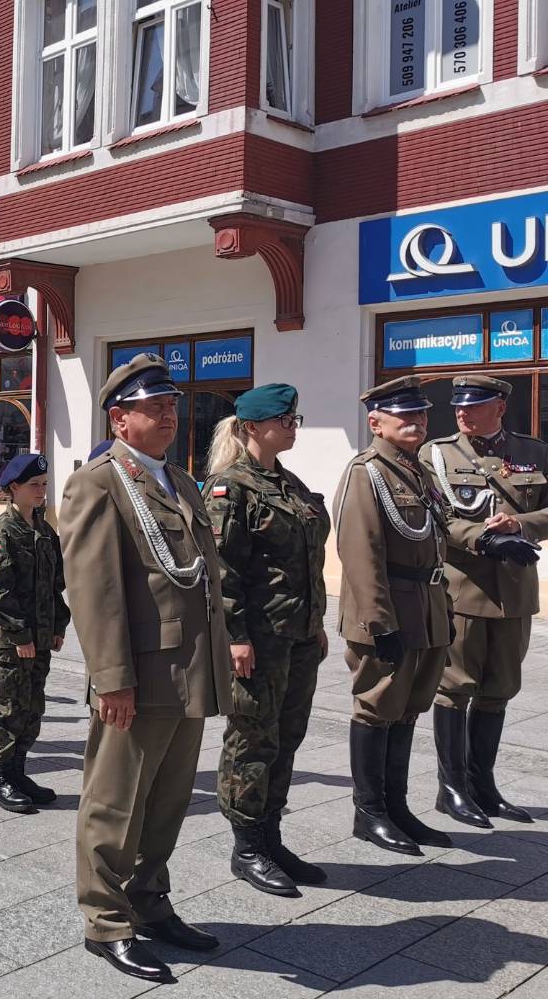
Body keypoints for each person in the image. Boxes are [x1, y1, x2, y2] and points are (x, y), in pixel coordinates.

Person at [61, 353, 232, 984]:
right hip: (139, 675)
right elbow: (95, 592)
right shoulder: (98, 483)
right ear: (119, 419)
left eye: (171, 405)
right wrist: (112, 680)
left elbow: (203, 581)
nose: (167, 415)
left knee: (167, 800)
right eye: (152, 407)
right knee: (115, 803)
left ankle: (150, 900)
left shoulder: (179, 480)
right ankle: (106, 921)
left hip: (190, 670)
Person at [334, 375, 486, 856]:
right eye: (404, 415)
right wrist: (380, 624)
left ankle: (396, 808)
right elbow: (361, 554)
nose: (416, 422)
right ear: (376, 423)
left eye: (420, 414)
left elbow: (437, 535)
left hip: (426, 609)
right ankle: (369, 812)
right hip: (390, 613)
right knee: (377, 706)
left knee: (407, 708)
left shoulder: (415, 470)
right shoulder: (367, 472)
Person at [202, 385, 331, 898]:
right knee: (252, 739)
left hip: (298, 635)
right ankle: (247, 846)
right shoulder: (230, 487)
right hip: (258, 639)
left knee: (287, 736)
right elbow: (222, 571)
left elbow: (308, 564)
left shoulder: (290, 484)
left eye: (295, 419)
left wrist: (316, 624)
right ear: (252, 427)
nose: (292, 427)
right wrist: (234, 637)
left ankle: (272, 837)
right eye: (284, 420)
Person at [421, 374, 542, 827]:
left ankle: (483, 786)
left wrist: (522, 525)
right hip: (465, 589)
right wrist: (484, 538)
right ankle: (451, 789)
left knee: (499, 688)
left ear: (500, 408)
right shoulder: (437, 454)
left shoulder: (533, 452)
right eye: (458, 405)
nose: (462, 412)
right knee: (455, 688)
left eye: (473, 405)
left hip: (515, 592)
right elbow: (437, 517)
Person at [0, 453, 69, 812]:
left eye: (44, 484)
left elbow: (55, 584)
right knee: (8, 709)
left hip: (39, 638)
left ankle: (17, 773)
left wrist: (58, 625)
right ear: (13, 488)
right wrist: (20, 636)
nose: (41, 491)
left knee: (31, 709)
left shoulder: (44, 530)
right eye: (34, 485)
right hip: (8, 641)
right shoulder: (1, 532)